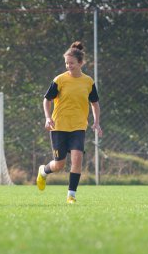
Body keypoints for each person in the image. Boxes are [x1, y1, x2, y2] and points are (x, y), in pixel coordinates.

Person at [36, 41, 103, 204]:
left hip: (78, 126)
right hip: (59, 126)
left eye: (72, 63)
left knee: (77, 158)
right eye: (66, 63)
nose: (68, 66)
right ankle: (43, 171)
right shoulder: (59, 80)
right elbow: (47, 100)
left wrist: (96, 122)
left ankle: (71, 195)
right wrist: (47, 117)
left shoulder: (88, 82)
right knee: (59, 165)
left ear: (81, 63)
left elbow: (94, 103)